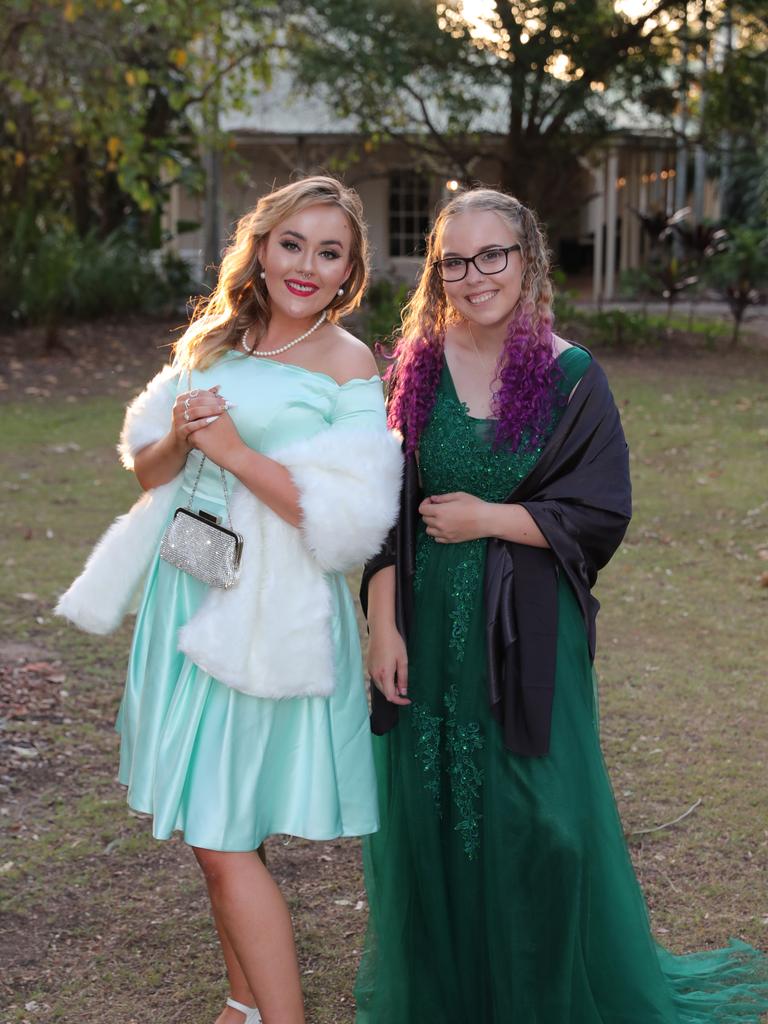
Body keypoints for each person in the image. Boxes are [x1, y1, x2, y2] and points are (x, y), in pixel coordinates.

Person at [355, 188, 768, 1023]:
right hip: (426, 623)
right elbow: (380, 508)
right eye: (455, 261)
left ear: (528, 258)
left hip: (528, 632)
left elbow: (601, 509)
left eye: (493, 255)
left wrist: (489, 519)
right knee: (432, 809)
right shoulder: (412, 369)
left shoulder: (572, 378)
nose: (476, 277)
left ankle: (544, 992)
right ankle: (455, 991)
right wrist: (382, 621)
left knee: (543, 822)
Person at [55, 175, 402, 1024]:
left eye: (330, 253)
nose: (307, 266)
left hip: (266, 613)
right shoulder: (212, 340)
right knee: (220, 827)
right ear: (262, 245)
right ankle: (243, 1006)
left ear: (349, 270)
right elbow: (146, 469)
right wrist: (181, 432)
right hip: (187, 590)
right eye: (294, 244)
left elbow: (350, 526)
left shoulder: (347, 362)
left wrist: (239, 452)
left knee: (218, 836)